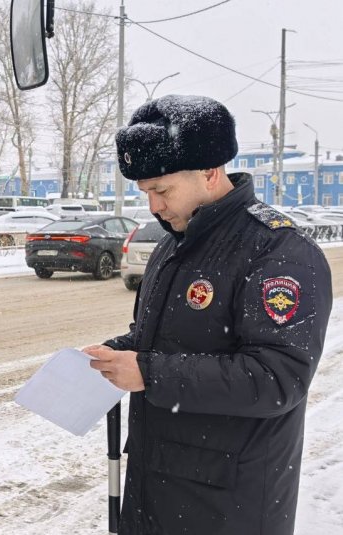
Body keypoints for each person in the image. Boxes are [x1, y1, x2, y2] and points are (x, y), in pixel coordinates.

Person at [85, 94, 332, 535]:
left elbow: (277, 378)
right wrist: (115, 353)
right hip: (156, 488)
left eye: (162, 190)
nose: (153, 207)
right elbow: (160, 338)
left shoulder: (278, 250)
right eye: (145, 192)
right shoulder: (172, 245)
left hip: (227, 506)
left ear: (210, 173)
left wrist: (148, 373)